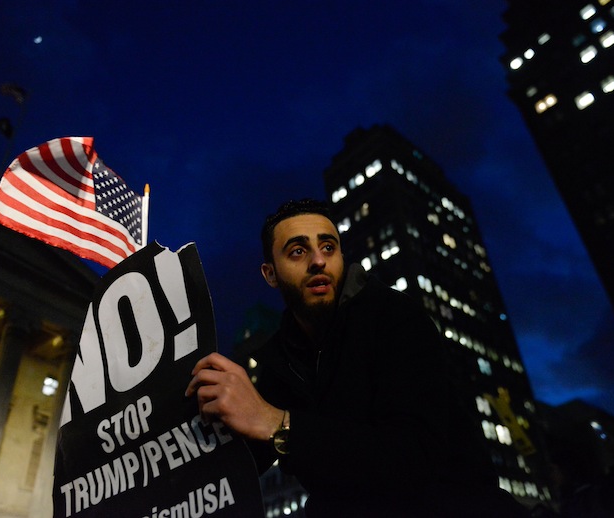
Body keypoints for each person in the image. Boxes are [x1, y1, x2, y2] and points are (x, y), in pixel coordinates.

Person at [186, 198, 526, 517]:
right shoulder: (280, 359)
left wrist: (278, 423)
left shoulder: (394, 316)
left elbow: (414, 456)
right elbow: (238, 462)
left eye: (328, 247)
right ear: (270, 273)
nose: (318, 260)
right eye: (298, 250)